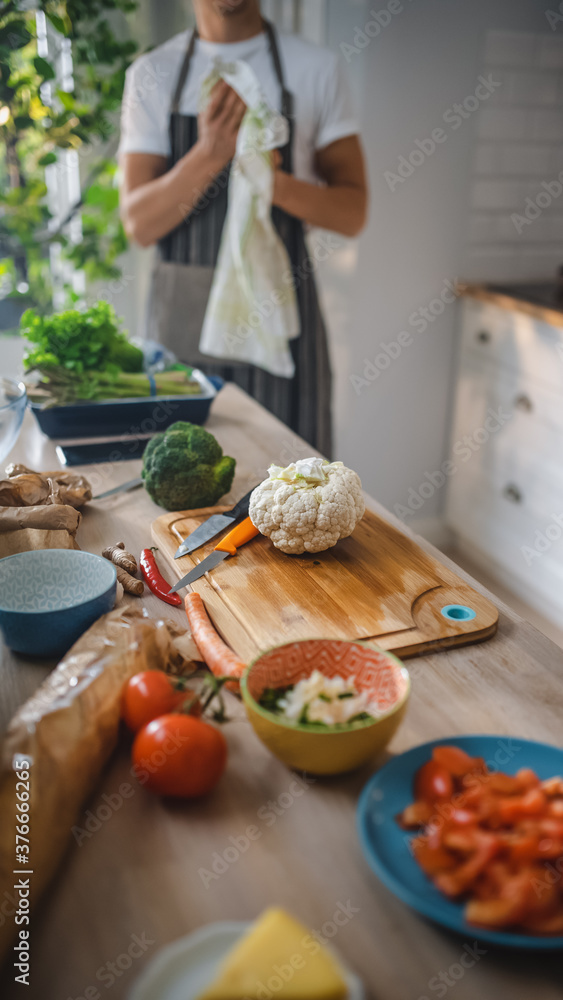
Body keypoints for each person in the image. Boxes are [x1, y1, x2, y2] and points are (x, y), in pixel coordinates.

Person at [119, 0, 367, 456]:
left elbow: (352, 212)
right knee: (179, 490)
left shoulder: (317, 69)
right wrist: (211, 153)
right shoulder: (151, 75)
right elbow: (139, 224)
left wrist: (270, 180)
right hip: (183, 330)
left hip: (280, 318)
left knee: (294, 489)